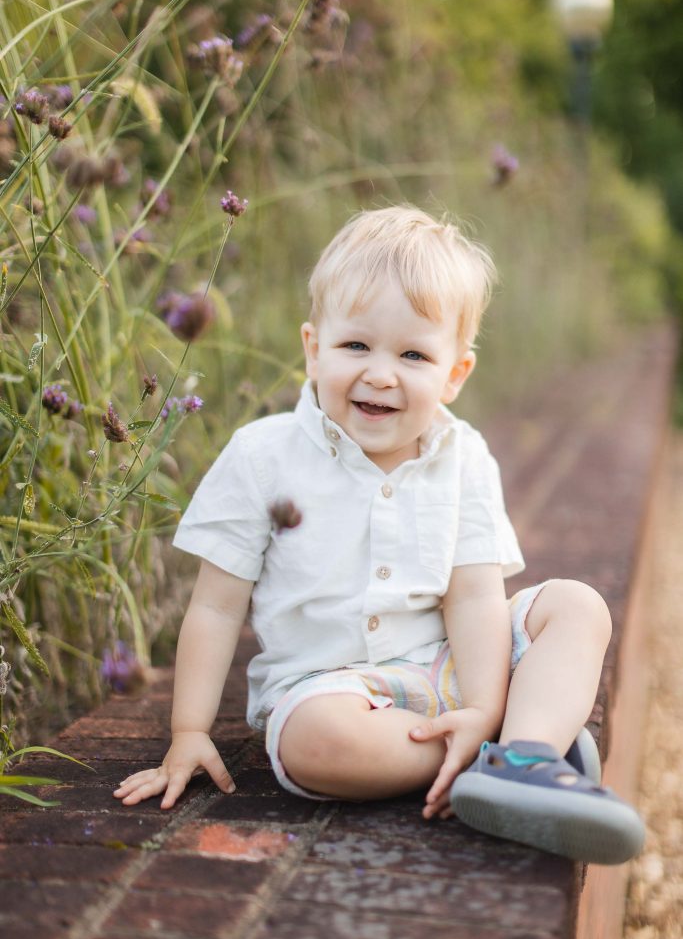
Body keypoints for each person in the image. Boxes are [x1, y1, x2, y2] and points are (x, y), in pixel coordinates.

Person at [115, 205, 644, 864]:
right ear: (313, 348)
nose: (380, 373)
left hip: (451, 665)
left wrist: (480, 705)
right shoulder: (261, 456)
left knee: (576, 605)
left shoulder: (464, 457)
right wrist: (189, 729)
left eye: (413, 354)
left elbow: (475, 597)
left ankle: (521, 755)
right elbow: (216, 606)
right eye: (355, 346)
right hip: (333, 692)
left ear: (454, 374)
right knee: (314, 746)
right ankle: (493, 758)